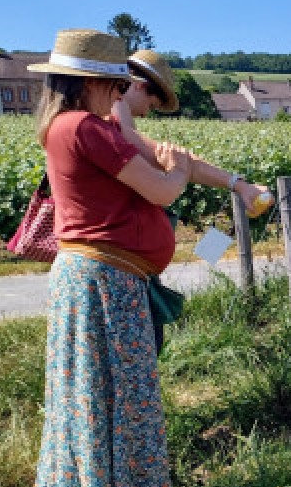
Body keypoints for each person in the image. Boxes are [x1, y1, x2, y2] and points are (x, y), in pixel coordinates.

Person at [27, 29, 194, 487]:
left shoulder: (64, 125)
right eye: (115, 85)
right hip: (104, 282)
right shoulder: (86, 128)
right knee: (123, 396)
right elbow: (162, 191)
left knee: (90, 394)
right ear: (89, 83)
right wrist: (180, 169)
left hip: (93, 275)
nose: (120, 94)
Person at [112, 49, 274, 352]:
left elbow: (181, 160)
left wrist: (238, 185)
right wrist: (236, 184)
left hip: (133, 273)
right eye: (151, 102)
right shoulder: (114, 127)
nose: (147, 112)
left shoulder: (123, 126)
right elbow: (175, 168)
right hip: (120, 275)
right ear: (138, 86)